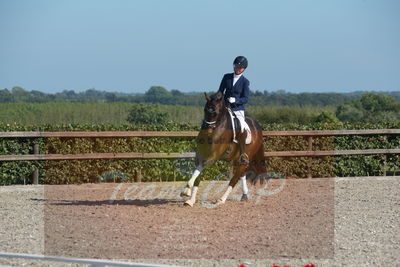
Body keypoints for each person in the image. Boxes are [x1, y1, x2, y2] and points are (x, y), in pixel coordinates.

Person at [218, 56, 251, 165]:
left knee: (242, 126)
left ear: (244, 69)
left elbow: (245, 99)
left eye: (240, 67)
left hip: (237, 109)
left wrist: (235, 100)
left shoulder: (245, 82)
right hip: (225, 107)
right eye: (236, 66)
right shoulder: (226, 77)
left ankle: (242, 154)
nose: (237, 68)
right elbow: (220, 91)